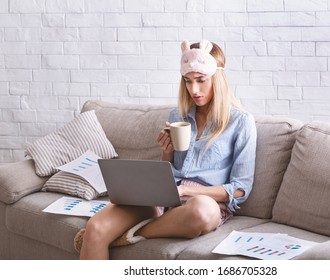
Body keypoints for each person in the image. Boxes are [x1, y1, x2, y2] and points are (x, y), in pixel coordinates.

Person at [77, 40, 257, 260]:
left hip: (203, 202)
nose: (194, 90)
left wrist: (185, 192)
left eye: (201, 80)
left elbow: (240, 189)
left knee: (201, 210)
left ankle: (128, 235)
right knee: (95, 228)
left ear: (217, 79)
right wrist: (167, 152)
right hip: (164, 197)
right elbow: (170, 170)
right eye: (188, 81)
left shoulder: (241, 121)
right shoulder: (177, 117)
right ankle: (123, 228)